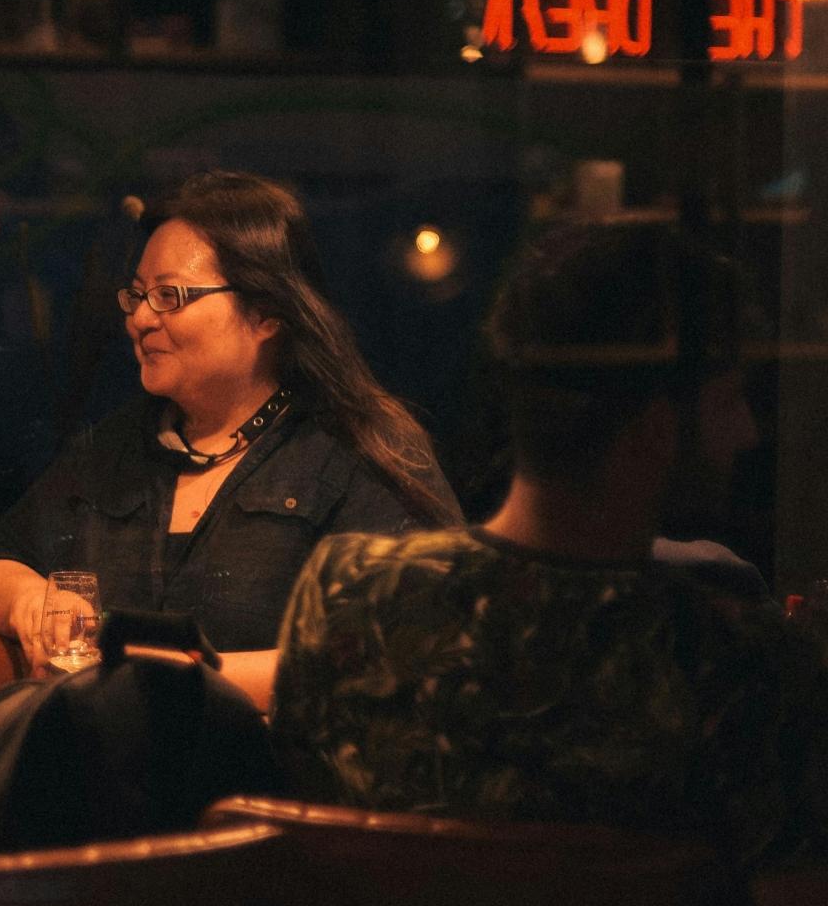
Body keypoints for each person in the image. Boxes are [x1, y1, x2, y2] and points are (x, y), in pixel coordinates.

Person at [272, 222, 828, 867]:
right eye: (729, 400)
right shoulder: (736, 666)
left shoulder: (349, 593)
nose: (749, 433)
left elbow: (299, 877)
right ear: (652, 429)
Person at [0, 171, 458, 708]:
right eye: (139, 295)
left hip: (280, 779)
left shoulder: (355, 447)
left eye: (171, 296)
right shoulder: (119, 446)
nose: (141, 319)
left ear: (266, 313)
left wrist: (174, 677)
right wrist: (28, 597)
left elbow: (409, 644)